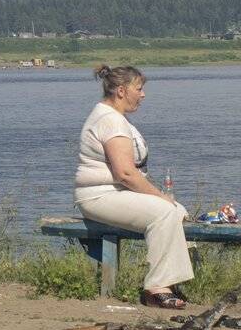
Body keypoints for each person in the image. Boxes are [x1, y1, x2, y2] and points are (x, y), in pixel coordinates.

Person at [73, 64, 193, 309]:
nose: (143, 94)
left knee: (178, 211)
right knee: (164, 211)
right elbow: (125, 173)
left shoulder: (115, 117)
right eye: (139, 89)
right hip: (99, 196)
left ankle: (173, 279)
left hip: (115, 194)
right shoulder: (110, 121)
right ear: (121, 90)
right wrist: (160, 196)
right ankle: (156, 288)